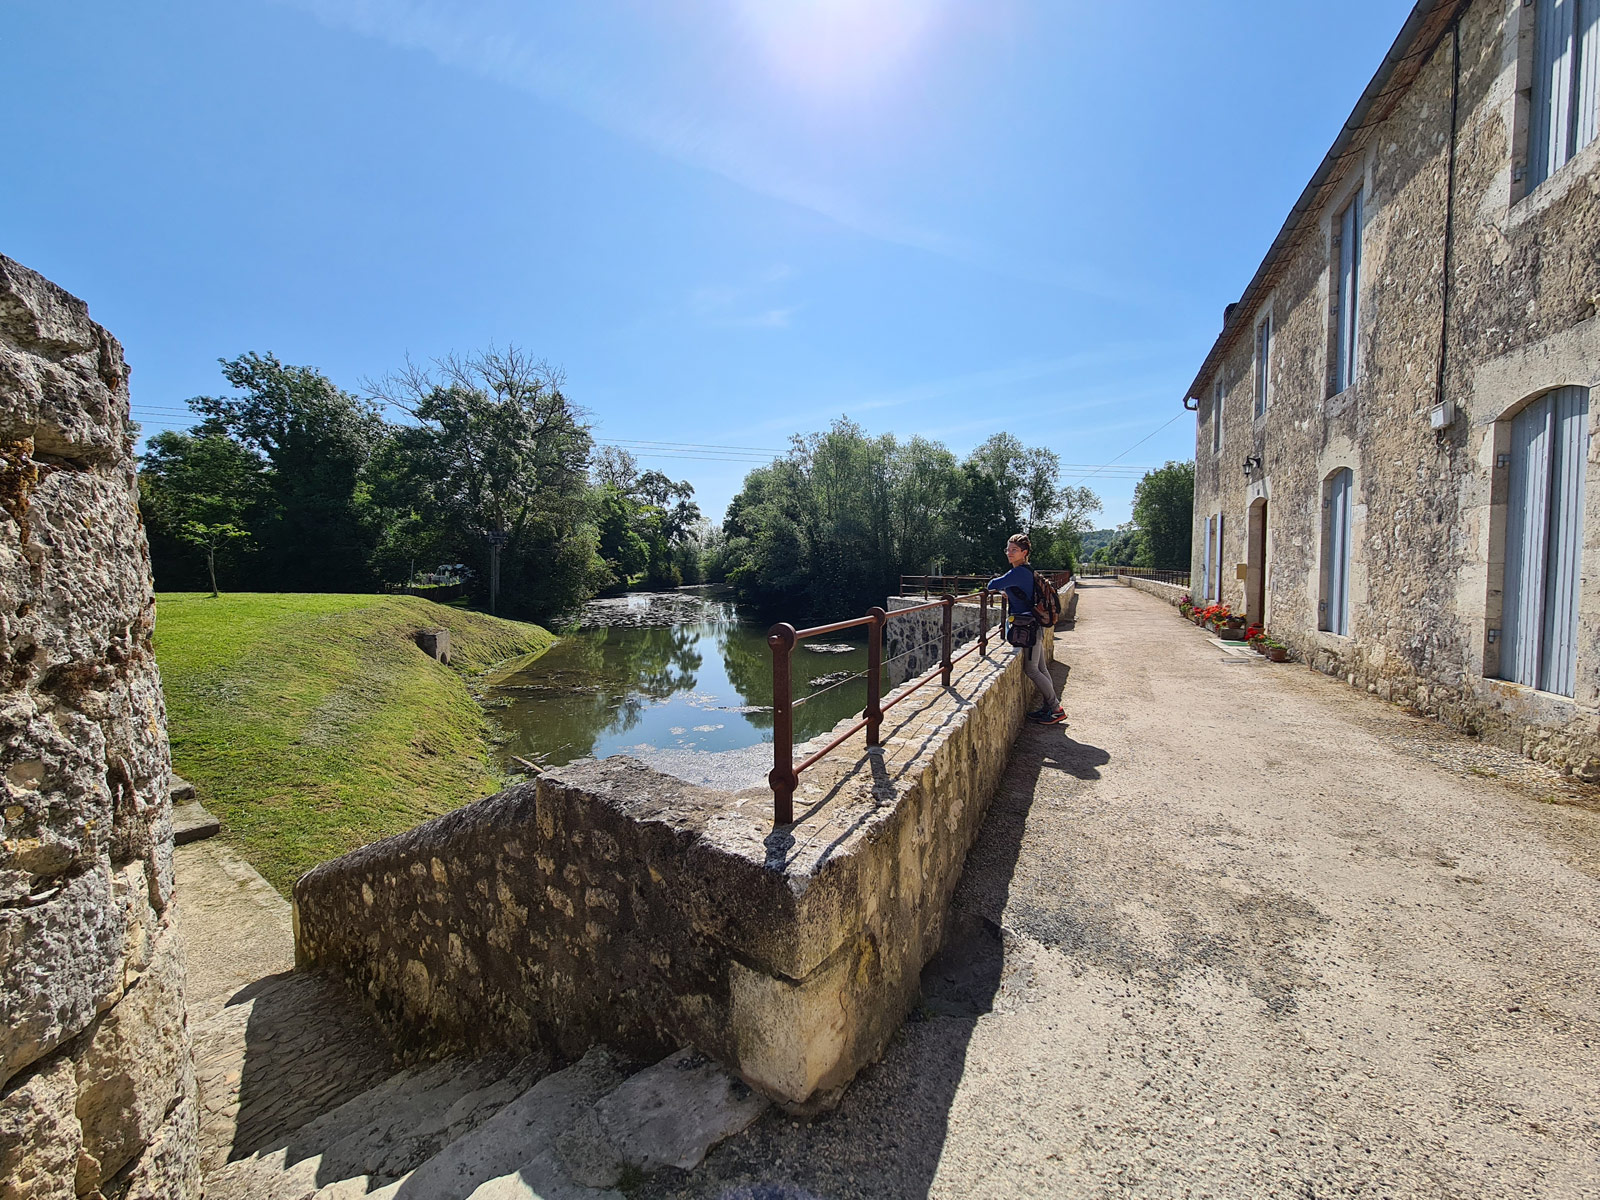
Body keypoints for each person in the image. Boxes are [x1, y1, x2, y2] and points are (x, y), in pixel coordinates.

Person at [987, 533, 1066, 725]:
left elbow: (992, 584)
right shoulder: (1027, 571)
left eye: (1014, 550)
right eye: (1008, 549)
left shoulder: (1018, 572)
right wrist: (1009, 592)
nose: (1009, 553)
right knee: (1041, 668)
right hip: (1033, 624)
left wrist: (1003, 589)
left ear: (1024, 552)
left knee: (1032, 670)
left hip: (1027, 626)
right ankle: (1049, 707)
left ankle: (1056, 708)